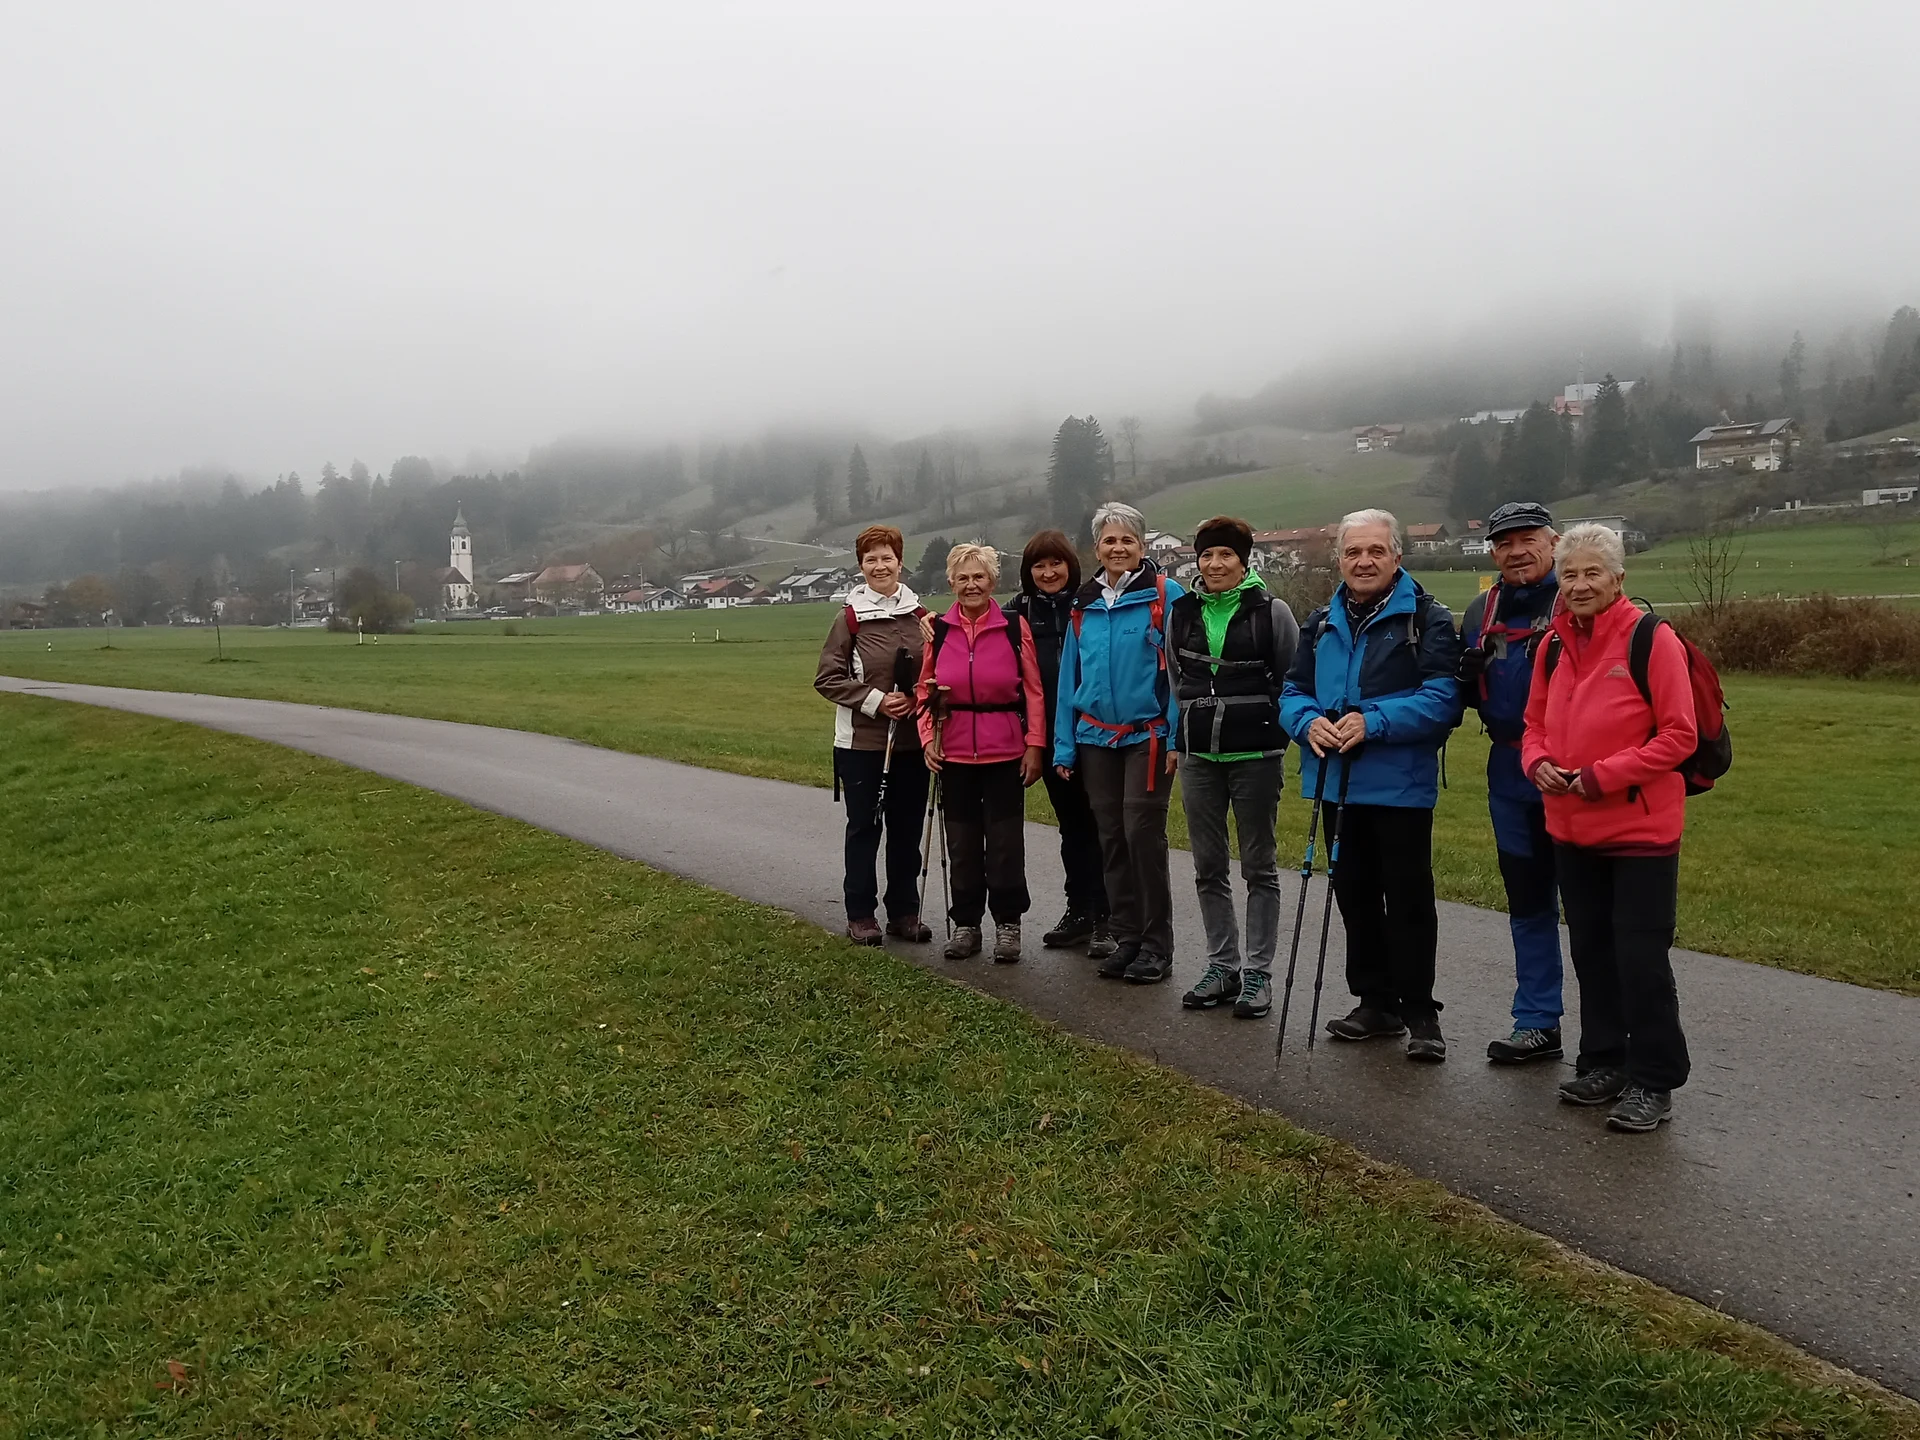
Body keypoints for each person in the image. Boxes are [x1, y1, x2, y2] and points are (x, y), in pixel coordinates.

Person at [1522, 522, 1697, 1133]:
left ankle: (1654, 1078)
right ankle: (1603, 1059)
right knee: (1591, 952)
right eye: (1569, 574)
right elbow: (1533, 723)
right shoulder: (1551, 645)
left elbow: (1680, 735)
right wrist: (1537, 762)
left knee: (1640, 957)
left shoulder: (1652, 639)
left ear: (1619, 577)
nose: (1579, 584)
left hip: (1640, 831)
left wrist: (1601, 775)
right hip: (1571, 828)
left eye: (1593, 572)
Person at [1281, 508, 1463, 1061]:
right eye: (1353, 552)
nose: (1364, 561)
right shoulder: (1319, 621)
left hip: (1399, 787)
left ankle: (1420, 1013)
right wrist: (1306, 721)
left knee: (1408, 901)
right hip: (1335, 785)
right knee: (1355, 898)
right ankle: (1375, 1002)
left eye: (1375, 551)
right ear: (1339, 559)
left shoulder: (1427, 618)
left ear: (1396, 557)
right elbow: (1291, 691)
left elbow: (1444, 700)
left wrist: (1372, 721)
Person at [1169, 516, 1300, 1019]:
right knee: (1207, 866)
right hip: (1198, 756)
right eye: (1206, 555)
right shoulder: (1181, 612)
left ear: (1244, 560)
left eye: (1225, 555)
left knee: (1259, 867)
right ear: (1196, 561)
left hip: (1256, 757)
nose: (1215, 564)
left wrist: (1274, 734)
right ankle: (1221, 966)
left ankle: (1258, 974)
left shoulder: (1272, 611)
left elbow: (1289, 678)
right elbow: (1178, 678)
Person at [1052, 501, 1186, 984]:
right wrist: (1064, 747)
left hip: (1147, 738)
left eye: (1128, 539)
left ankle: (1156, 946)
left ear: (1143, 546)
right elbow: (1070, 678)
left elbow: (1180, 672)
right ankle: (1126, 937)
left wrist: (1175, 734)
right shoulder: (1083, 605)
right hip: (1094, 740)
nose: (1118, 548)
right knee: (1109, 838)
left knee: (1142, 837)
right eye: (1110, 540)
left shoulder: (1165, 596)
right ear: (1097, 548)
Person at [1458, 502, 1568, 1064]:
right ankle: (1537, 1021)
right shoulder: (1481, 609)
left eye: (1528, 539)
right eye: (1504, 543)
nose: (1517, 551)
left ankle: (1607, 1038)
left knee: (1594, 908)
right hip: (1508, 773)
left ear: (1554, 542)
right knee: (1527, 902)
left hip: (1573, 777)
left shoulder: (1578, 596)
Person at [917, 543, 1048, 962]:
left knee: (1007, 845)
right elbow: (925, 691)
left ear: (993, 581)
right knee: (963, 844)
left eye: (979, 577)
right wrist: (926, 739)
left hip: (1005, 752)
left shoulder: (1013, 627)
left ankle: (1008, 925)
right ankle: (967, 924)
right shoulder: (938, 631)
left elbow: (1033, 692)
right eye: (962, 578)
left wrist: (1035, 745)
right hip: (953, 754)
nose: (971, 585)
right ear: (951, 583)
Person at [813, 524, 932, 947]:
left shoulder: (921, 616)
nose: (880, 566)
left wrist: (921, 697)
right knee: (864, 829)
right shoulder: (849, 618)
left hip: (913, 744)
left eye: (887, 557)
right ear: (861, 565)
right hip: (862, 746)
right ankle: (860, 913)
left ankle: (904, 911)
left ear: (900, 561)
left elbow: (936, 671)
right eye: (871, 559)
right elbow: (827, 679)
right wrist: (876, 701)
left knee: (907, 830)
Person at [1006, 529, 1114, 960]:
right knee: (1072, 826)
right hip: (1048, 736)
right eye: (1039, 565)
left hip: (1095, 733)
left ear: (1071, 564)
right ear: (1028, 571)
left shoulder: (1090, 605)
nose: (1048, 572)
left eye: (1056, 563)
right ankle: (1080, 910)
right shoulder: (1017, 613)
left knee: (1103, 825)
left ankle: (1109, 917)